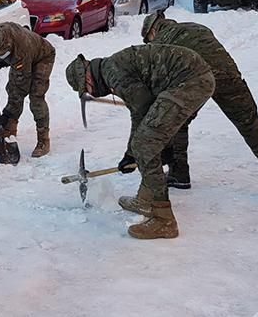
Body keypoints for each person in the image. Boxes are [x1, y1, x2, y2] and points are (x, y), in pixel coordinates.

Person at [65, 45, 216, 240]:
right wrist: (131, 154)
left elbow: (142, 110)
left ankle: (164, 219)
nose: (91, 94)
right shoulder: (112, 69)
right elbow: (144, 112)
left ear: (87, 77)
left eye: (86, 89)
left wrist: (134, 153)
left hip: (188, 82)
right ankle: (145, 200)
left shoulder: (114, 72)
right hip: (192, 79)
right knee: (148, 141)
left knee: (146, 145)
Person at [140, 12, 258, 197]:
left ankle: (179, 174)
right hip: (227, 76)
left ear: (152, 31)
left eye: (147, 39)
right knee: (250, 125)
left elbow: (158, 82)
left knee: (178, 123)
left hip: (195, 82)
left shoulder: (160, 44)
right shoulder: (196, 27)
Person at [0, 22, 55, 157]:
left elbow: (22, 86)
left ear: (8, 44)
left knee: (36, 97)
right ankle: (9, 130)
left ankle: (43, 140)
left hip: (43, 57)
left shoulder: (21, 50)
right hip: (26, 55)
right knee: (11, 89)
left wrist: (7, 113)